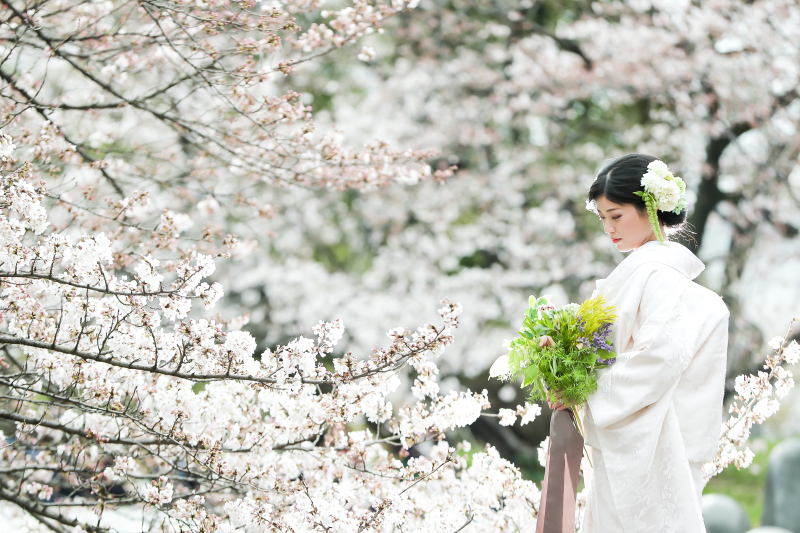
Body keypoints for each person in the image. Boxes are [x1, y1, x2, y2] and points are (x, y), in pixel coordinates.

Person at [552, 153, 730, 532]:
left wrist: (582, 390)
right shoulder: (645, 271)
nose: (608, 228)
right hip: (630, 438)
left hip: (649, 443)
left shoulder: (658, 275)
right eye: (602, 218)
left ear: (650, 207)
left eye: (616, 215)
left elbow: (658, 359)